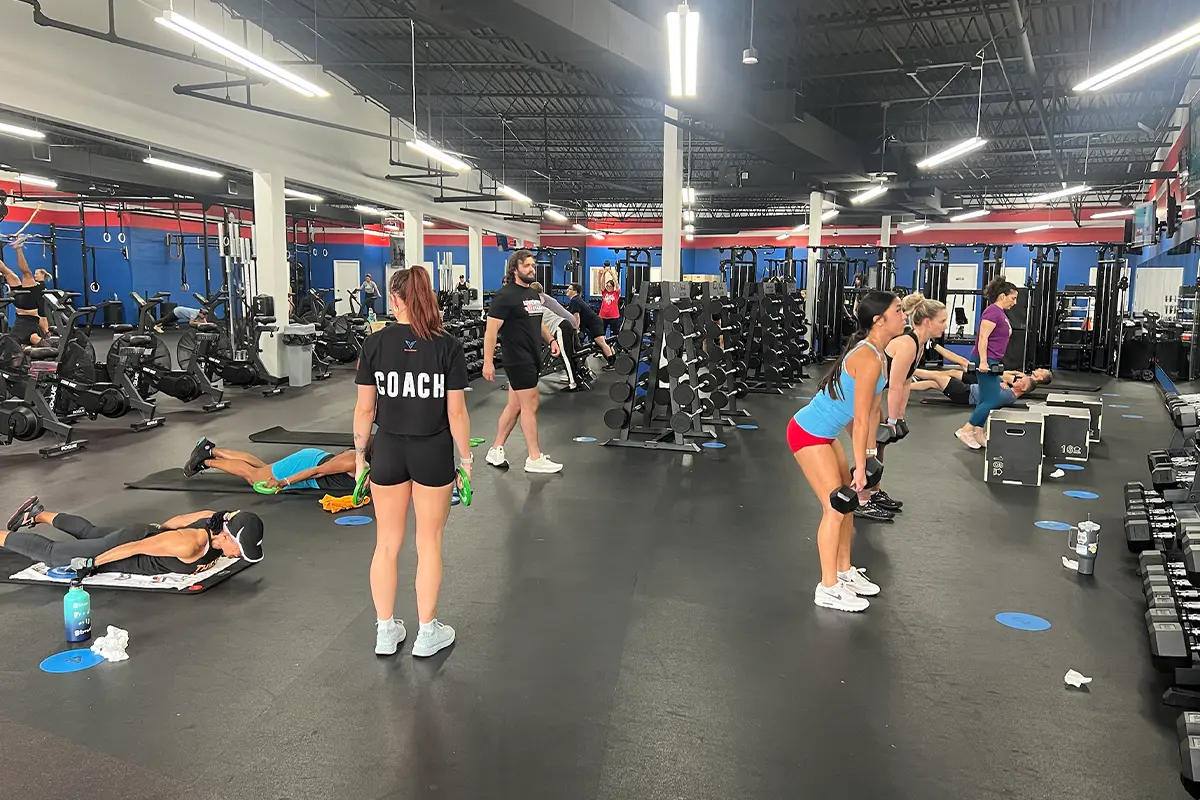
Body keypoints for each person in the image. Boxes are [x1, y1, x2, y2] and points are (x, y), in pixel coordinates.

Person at [354, 264, 472, 658]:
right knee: (429, 544)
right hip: (432, 451)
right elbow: (456, 415)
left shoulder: (375, 343)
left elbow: (364, 411)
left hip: (387, 449)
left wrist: (358, 458)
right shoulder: (448, 346)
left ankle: (385, 632)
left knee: (385, 544)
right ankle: (426, 633)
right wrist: (467, 461)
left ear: (395, 299)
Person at [787, 291, 907, 613]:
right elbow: (860, 415)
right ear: (878, 320)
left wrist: (867, 456)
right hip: (808, 433)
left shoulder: (879, 354)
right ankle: (827, 588)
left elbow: (870, 413)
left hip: (825, 435)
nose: (904, 314)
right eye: (898, 310)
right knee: (835, 506)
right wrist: (860, 465)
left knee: (848, 503)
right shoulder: (867, 357)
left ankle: (843, 572)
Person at [2, 496, 263, 575]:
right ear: (227, 537)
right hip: (130, 544)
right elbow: (136, 547)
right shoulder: (188, 545)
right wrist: (94, 563)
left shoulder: (216, 518)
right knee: (54, 555)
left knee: (89, 533)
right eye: (239, 549)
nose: (238, 555)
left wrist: (158, 529)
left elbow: (172, 523)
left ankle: (36, 514)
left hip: (147, 533)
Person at [863, 293, 948, 518]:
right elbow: (895, 386)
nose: (945, 325)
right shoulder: (908, 344)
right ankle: (861, 500)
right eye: (942, 321)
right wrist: (892, 420)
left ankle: (874, 492)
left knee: (880, 444)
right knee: (870, 446)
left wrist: (900, 416)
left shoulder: (920, 345)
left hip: (872, 393)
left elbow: (908, 382)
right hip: (858, 394)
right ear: (928, 321)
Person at [482, 250, 564, 474]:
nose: (531, 269)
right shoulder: (505, 296)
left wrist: (551, 340)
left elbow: (538, 323)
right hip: (517, 358)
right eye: (527, 265)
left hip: (532, 355)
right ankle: (534, 457)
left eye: (533, 265)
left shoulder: (531, 295)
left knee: (515, 406)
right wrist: (487, 361)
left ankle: (495, 449)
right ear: (515, 269)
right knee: (531, 404)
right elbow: (490, 332)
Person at [955, 279, 1019, 450]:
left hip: (991, 359)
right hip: (986, 360)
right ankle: (966, 430)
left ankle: (978, 432)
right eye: (1013, 298)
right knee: (992, 399)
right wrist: (983, 361)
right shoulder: (993, 312)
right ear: (1002, 296)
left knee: (984, 398)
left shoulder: (999, 313)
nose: (1015, 302)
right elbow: (983, 337)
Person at [182, 437, 356, 493]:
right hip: (307, 465)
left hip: (311, 464)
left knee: (261, 469)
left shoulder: (376, 467)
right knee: (253, 476)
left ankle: (210, 449)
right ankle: (205, 460)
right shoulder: (353, 460)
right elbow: (316, 471)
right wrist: (283, 482)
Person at [529, 281, 583, 391]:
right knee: (571, 354)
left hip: (561, 327)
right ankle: (577, 379)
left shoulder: (536, 306)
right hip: (566, 324)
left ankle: (573, 384)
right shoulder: (540, 303)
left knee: (566, 357)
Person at [0, 236, 51, 346]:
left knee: (18, 274)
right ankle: (18, 247)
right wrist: (47, 333)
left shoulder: (41, 286)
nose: (36, 274)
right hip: (23, 308)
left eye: (37, 273)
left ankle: (18, 247)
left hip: (23, 307)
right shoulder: (40, 286)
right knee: (9, 273)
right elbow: (42, 315)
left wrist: (47, 333)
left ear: (42, 274)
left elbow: (42, 316)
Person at [910, 369, 1039, 408]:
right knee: (933, 383)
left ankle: (907, 368)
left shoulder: (1008, 396)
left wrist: (996, 382)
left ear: (1023, 389)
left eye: (1022, 381)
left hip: (964, 393)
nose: (1018, 380)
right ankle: (905, 387)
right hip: (966, 391)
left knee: (936, 375)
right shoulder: (1009, 392)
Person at [565, 283, 616, 368]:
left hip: (594, 323)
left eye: (570, 289)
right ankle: (613, 361)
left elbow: (576, 316)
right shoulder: (576, 299)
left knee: (602, 344)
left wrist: (576, 328)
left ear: (575, 291)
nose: (567, 290)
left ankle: (612, 364)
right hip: (593, 323)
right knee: (603, 343)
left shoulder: (575, 300)